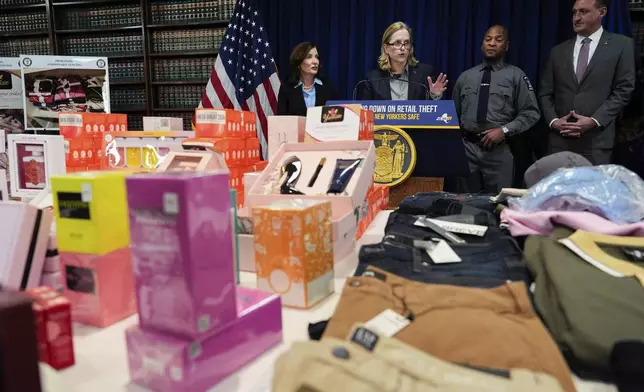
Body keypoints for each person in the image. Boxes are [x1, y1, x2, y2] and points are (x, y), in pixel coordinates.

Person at [538, 0, 635, 165]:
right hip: (559, 143)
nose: (576, 17)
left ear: (601, 12)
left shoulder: (622, 45)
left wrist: (594, 121)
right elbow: (545, 92)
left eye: (583, 11)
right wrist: (554, 122)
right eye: (574, 12)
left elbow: (624, 90)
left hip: (596, 142)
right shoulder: (558, 51)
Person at [452, 25, 540, 194]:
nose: (492, 43)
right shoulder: (465, 77)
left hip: (499, 152)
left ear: (506, 46)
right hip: (467, 151)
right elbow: (453, 115)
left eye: (498, 40)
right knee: (464, 203)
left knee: (498, 204)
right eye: (488, 39)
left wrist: (504, 130)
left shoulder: (516, 75)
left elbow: (531, 112)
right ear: (481, 44)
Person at [359, 21, 447, 101]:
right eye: (397, 43)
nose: (403, 48)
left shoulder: (425, 74)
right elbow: (365, 113)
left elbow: (433, 112)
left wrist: (434, 95)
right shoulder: (372, 79)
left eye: (406, 43)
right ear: (386, 48)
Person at [277, 42, 338, 116]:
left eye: (316, 57)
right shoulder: (287, 89)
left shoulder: (328, 86)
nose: (315, 61)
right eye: (309, 57)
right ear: (299, 63)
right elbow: (282, 120)